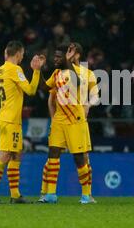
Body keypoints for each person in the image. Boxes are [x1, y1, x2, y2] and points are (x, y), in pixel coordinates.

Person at [37, 43, 98, 204]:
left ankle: (86, 195)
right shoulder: (57, 73)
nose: (54, 59)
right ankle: (50, 194)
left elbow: (78, 84)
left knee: (79, 159)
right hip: (59, 120)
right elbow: (44, 87)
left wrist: (88, 105)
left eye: (58, 57)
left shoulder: (82, 73)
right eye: (55, 56)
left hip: (75, 120)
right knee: (53, 156)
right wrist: (37, 70)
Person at [0, 41, 45, 204]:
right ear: (18, 53)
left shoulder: (1, 69)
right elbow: (31, 90)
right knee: (4, 155)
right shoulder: (15, 69)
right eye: (22, 54)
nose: (23, 57)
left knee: (17, 154)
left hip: (7, 117)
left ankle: (15, 195)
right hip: (10, 119)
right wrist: (36, 71)